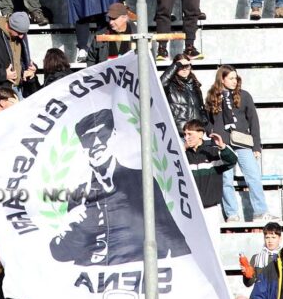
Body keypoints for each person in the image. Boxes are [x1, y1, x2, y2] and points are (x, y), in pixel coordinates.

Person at [49, 109, 191, 265]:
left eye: (102, 135)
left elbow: (171, 235)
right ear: (82, 147)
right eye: (89, 139)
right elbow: (64, 253)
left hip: (138, 269)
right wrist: (71, 226)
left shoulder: (141, 181)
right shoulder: (79, 194)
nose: (96, 144)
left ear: (114, 135)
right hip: (97, 274)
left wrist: (186, 267)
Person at [205, 65, 272, 222]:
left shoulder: (244, 95)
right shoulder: (212, 96)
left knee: (253, 176)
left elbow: (253, 121)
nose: (235, 81)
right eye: (231, 78)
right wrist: (211, 132)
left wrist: (256, 146)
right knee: (226, 180)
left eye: (236, 78)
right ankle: (232, 213)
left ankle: (260, 212)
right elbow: (207, 118)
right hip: (223, 144)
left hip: (242, 142)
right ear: (222, 79)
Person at [161, 55, 205, 133]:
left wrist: (204, 122)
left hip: (195, 131)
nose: (184, 69)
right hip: (179, 131)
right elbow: (161, 84)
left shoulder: (194, 84)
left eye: (187, 66)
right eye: (181, 66)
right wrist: (176, 65)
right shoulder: (170, 85)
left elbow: (201, 108)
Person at [243, 222, 282, 287]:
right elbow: (248, 283)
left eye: (273, 237)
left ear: (280, 239)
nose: (270, 241)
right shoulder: (256, 258)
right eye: (267, 237)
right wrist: (246, 273)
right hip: (262, 292)